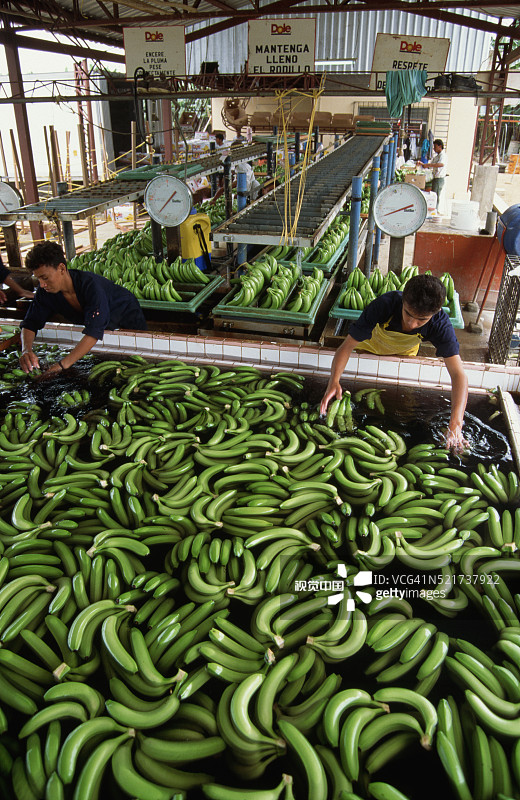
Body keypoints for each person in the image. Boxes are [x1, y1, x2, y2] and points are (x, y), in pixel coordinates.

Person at [320, 274, 469, 451]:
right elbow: (346, 346)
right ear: (403, 300)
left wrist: (456, 423)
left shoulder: (440, 324)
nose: (412, 324)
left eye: (422, 320)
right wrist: (334, 380)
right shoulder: (384, 304)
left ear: (434, 314)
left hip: (404, 355)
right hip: (369, 348)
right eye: (408, 314)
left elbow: (458, 374)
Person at [19, 241, 147, 377]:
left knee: (138, 363)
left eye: (45, 278)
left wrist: (61, 366)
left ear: (62, 269)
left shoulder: (90, 286)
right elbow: (30, 323)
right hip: (103, 328)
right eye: (38, 278)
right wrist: (26, 350)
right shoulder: (46, 292)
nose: (42, 284)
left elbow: (93, 332)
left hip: (126, 316)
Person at [417, 139, 447, 210]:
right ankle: (433, 210)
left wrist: (429, 165)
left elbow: (441, 164)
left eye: (435, 147)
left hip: (439, 179)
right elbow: (430, 165)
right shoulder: (437, 157)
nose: (434, 149)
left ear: (440, 146)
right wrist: (423, 164)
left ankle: (435, 211)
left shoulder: (443, 155)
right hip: (435, 178)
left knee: (435, 196)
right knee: (433, 195)